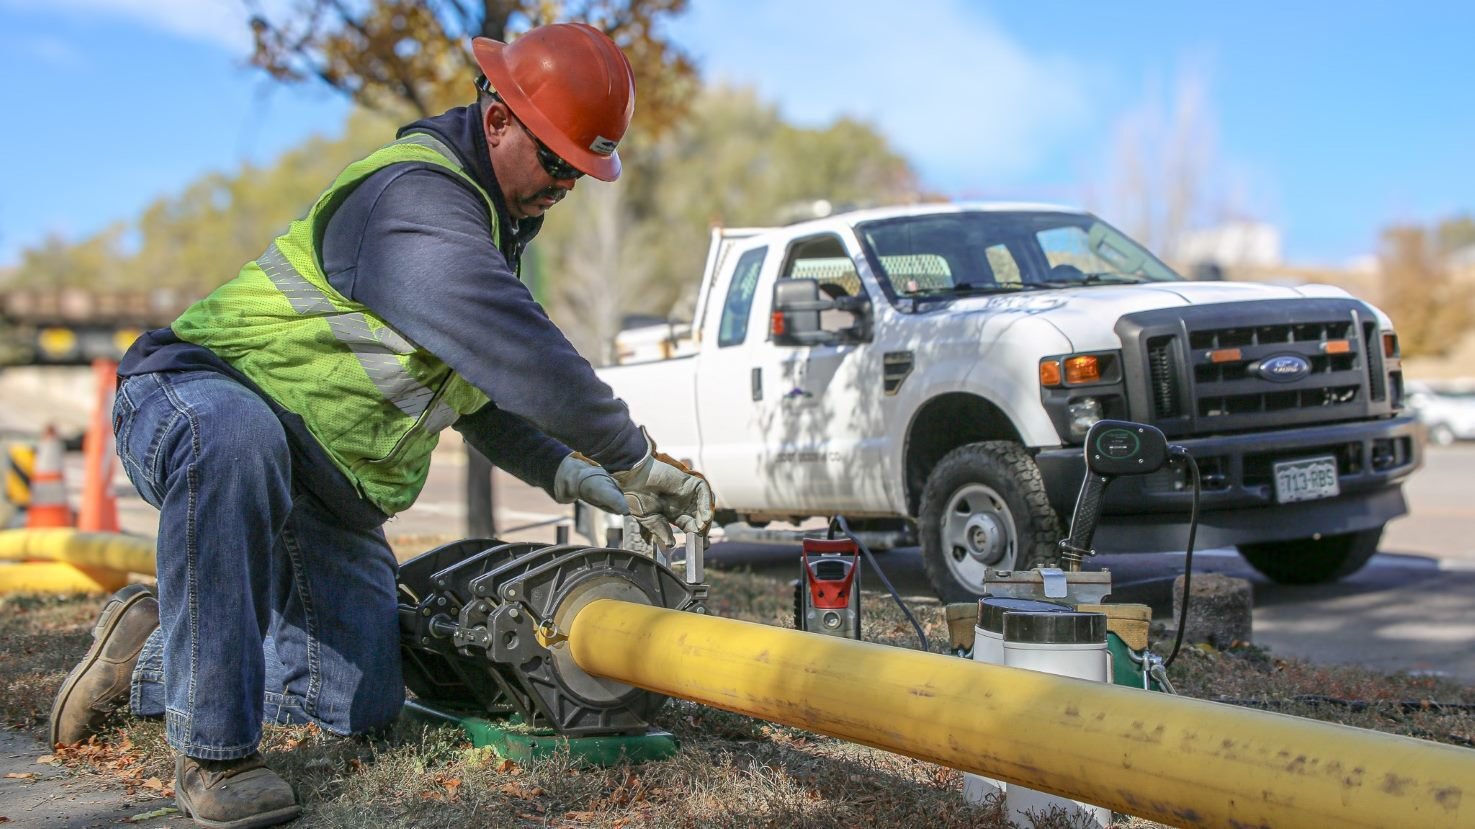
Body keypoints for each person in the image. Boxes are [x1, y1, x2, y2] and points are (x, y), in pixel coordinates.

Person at [49, 22, 712, 829]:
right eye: (554, 160)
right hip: (197, 397)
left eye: (578, 172)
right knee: (239, 437)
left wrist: (575, 473)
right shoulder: (414, 200)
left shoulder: (483, 238)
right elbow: (519, 352)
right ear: (497, 118)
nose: (564, 184)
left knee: (356, 707)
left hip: (322, 486)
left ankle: (148, 655)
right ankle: (212, 754)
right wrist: (636, 457)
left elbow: (487, 398)